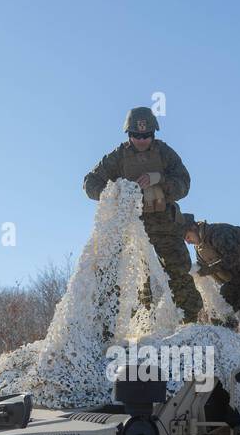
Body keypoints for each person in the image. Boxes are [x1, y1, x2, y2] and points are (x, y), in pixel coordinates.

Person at [83, 107, 203, 322]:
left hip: (166, 225)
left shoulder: (165, 153)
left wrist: (159, 179)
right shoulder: (118, 156)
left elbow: (184, 185)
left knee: (178, 274)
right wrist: (115, 192)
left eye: (146, 135)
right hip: (134, 227)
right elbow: (90, 184)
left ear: (154, 133)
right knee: (138, 278)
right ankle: (143, 325)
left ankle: (190, 323)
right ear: (128, 134)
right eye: (136, 136)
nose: (141, 140)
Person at [182, 215, 240, 329]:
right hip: (235, 281)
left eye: (188, 237)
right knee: (218, 313)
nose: (188, 242)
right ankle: (232, 339)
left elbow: (234, 258)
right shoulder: (200, 249)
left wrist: (206, 270)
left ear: (193, 228)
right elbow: (203, 268)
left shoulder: (218, 233)